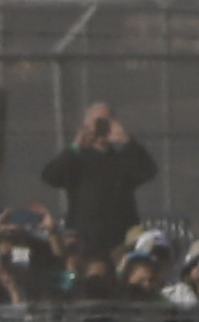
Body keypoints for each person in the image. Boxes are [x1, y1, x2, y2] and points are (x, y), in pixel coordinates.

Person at [40, 103, 158, 266]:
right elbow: (50, 176)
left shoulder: (122, 159)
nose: (102, 128)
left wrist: (127, 141)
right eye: (98, 123)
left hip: (120, 237)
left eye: (106, 122)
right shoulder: (77, 159)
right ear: (86, 126)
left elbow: (148, 171)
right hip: (86, 238)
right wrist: (75, 147)